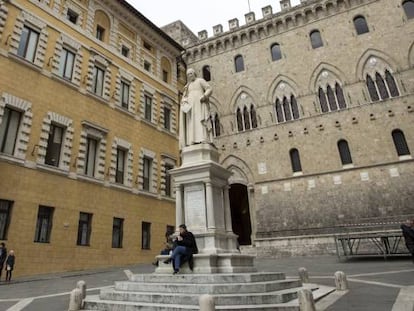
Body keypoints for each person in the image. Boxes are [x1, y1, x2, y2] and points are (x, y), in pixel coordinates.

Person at [179, 68, 213, 149]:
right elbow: (185, 96)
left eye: (191, 73)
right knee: (191, 123)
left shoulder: (200, 81)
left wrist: (205, 96)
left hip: (200, 104)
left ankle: (203, 138)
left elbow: (209, 88)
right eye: (188, 75)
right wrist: (184, 101)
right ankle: (192, 140)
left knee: (200, 121)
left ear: (194, 74)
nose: (190, 75)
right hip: (191, 108)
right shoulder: (187, 86)